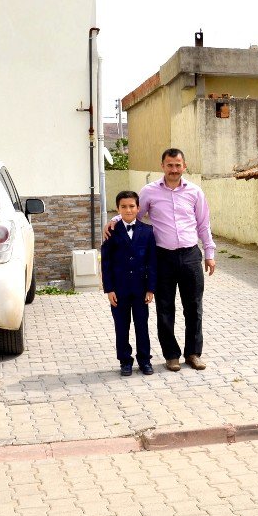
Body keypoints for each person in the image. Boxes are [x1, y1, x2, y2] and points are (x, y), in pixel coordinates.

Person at [105, 148, 216, 372]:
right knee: (165, 308)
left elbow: (203, 224)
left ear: (184, 166)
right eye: (169, 165)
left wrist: (209, 253)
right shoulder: (150, 191)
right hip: (162, 256)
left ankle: (193, 353)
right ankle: (171, 355)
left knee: (194, 307)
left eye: (178, 165)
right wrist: (114, 220)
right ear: (162, 166)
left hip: (190, 255)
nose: (173, 169)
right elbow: (133, 210)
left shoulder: (195, 192)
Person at [101, 191, 157, 376]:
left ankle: (145, 360)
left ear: (138, 208)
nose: (128, 209)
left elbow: (152, 262)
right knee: (121, 326)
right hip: (120, 289)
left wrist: (151, 288)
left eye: (132, 206)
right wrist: (109, 289)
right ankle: (125, 361)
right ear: (118, 209)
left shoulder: (147, 231)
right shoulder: (111, 231)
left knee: (142, 326)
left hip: (141, 289)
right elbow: (106, 262)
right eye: (123, 206)